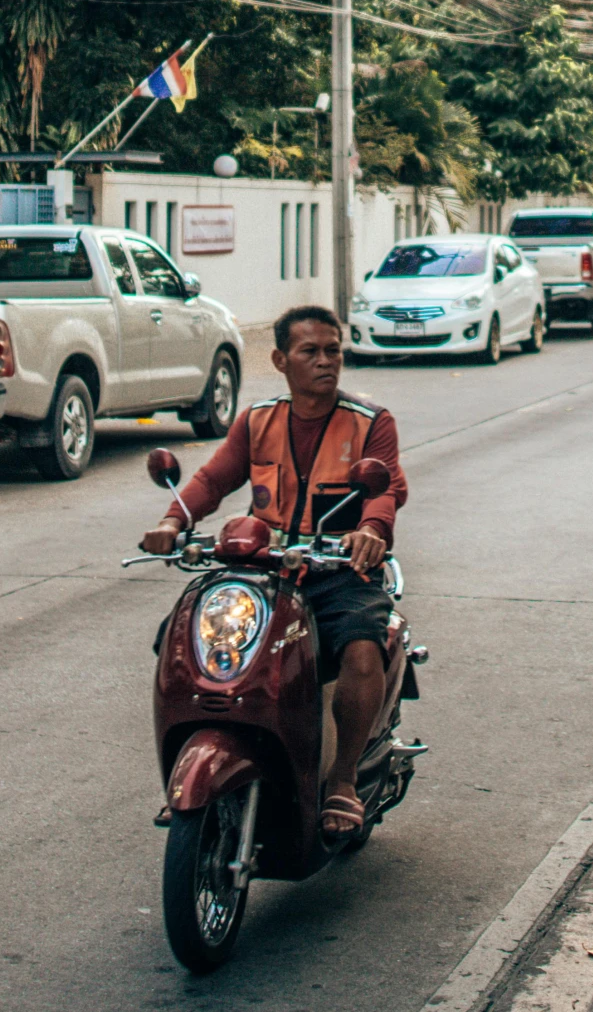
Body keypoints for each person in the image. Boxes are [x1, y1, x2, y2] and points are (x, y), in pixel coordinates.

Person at [142, 303, 406, 841]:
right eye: (310, 352)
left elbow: (388, 491)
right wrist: (172, 521)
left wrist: (371, 534)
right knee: (178, 639)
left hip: (338, 569)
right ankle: (189, 769)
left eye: (333, 350)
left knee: (361, 649)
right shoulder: (258, 419)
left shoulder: (370, 423)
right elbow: (213, 481)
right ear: (281, 360)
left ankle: (343, 778)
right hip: (263, 569)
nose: (325, 362)